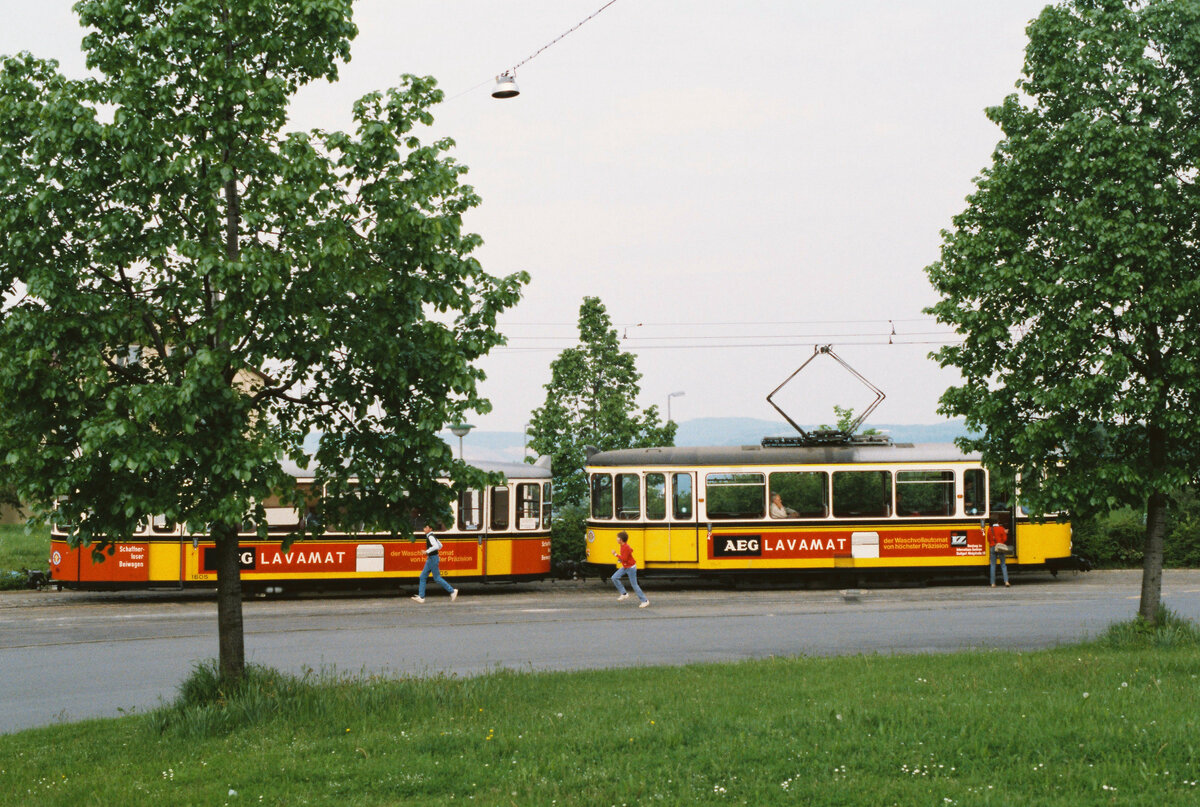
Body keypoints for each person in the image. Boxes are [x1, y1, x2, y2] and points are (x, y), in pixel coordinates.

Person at [412, 524, 458, 603]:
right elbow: (440, 545)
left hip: (432, 559)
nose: (424, 529)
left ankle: (452, 591)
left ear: (430, 529)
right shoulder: (432, 535)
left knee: (435, 578)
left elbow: (436, 546)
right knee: (423, 577)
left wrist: (426, 551)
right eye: (424, 527)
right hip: (432, 558)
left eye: (426, 527)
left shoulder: (430, 536)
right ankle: (421, 596)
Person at [610, 530, 649, 608]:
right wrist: (621, 559)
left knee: (634, 585)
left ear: (621, 540)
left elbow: (625, 557)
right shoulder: (623, 546)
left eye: (618, 538)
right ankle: (624, 594)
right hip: (625, 566)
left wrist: (615, 554)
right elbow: (629, 552)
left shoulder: (625, 547)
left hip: (631, 568)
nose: (616, 539)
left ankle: (645, 601)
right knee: (614, 577)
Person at [986, 519, 1010, 588]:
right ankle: (1006, 581)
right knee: (1003, 565)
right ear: (998, 522)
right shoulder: (1001, 528)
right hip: (1000, 547)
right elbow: (1005, 539)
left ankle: (993, 583)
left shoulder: (990, 529)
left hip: (993, 547)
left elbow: (988, 539)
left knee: (993, 565)